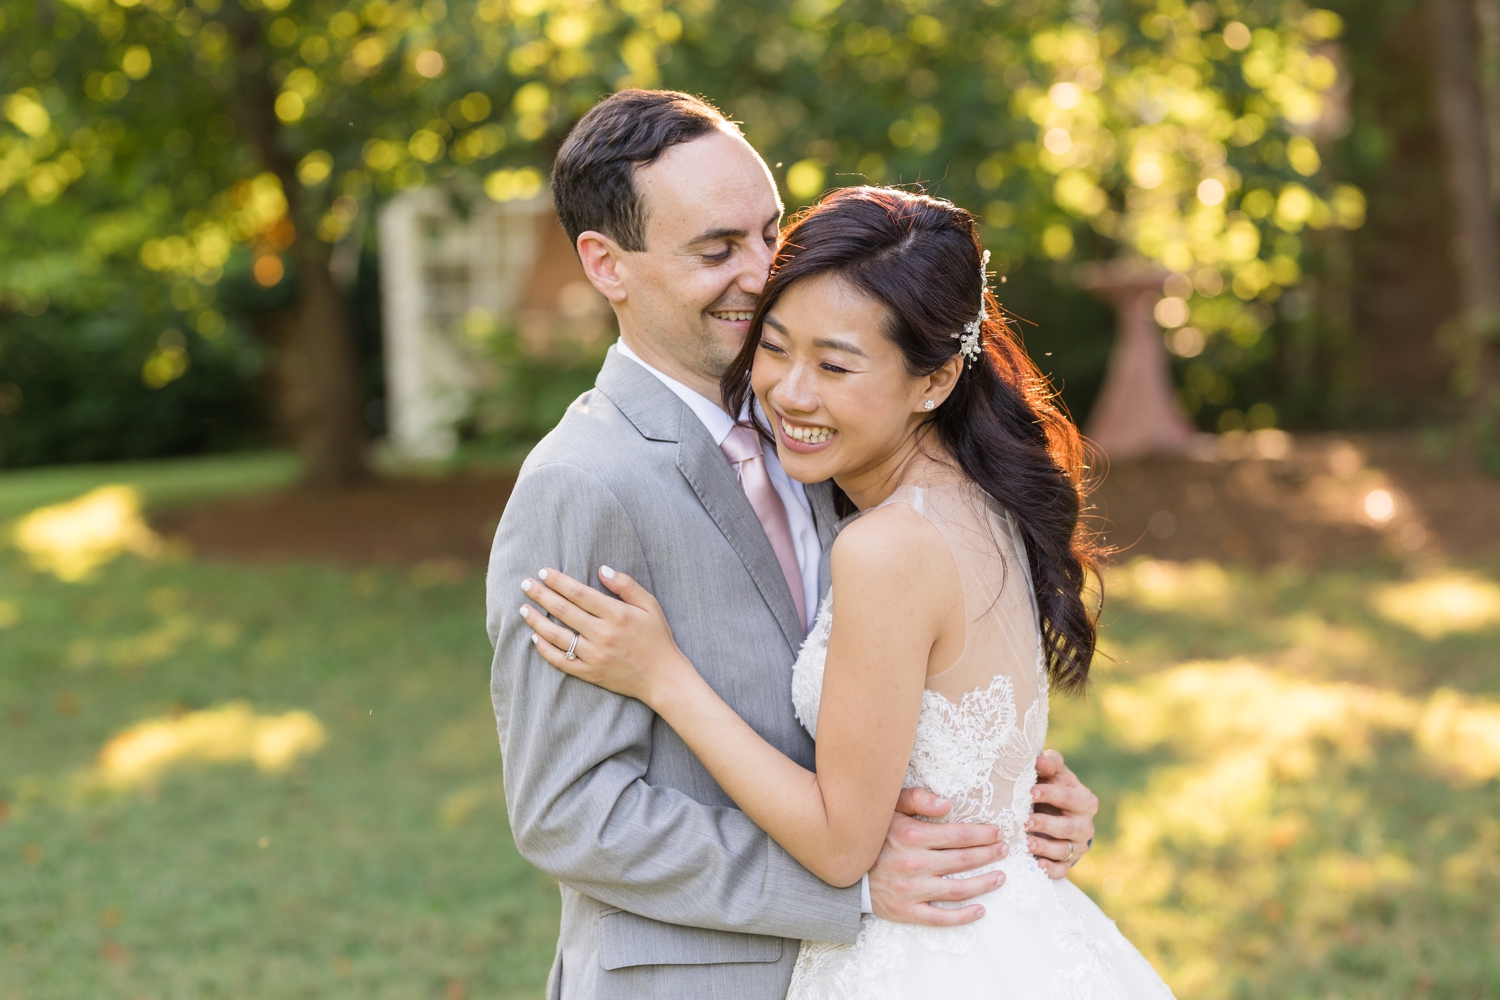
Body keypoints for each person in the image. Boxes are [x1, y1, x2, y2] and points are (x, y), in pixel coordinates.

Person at [486, 90, 1101, 1000]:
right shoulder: (582, 484)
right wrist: (844, 886)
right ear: (606, 265)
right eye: (716, 249)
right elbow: (568, 814)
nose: (763, 269)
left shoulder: (826, 426)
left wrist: (1011, 802)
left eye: (768, 232)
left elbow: (896, 673)